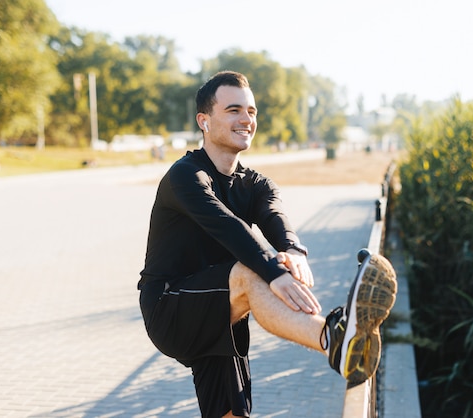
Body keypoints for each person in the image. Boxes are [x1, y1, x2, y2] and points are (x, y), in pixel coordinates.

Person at [138, 71, 397, 418]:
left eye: (252, 111)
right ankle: (334, 339)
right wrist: (274, 272)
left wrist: (292, 252)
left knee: (231, 415)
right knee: (249, 273)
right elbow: (227, 227)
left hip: (222, 307)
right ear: (204, 120)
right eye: (233, 110)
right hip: (170, 306)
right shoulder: (185, 176)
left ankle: (342, 338)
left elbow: (274, 215)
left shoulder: (256, 183)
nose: (246, 119)